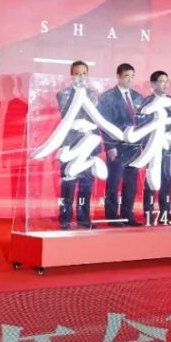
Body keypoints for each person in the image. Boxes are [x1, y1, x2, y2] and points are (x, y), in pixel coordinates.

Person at [97, 63, 143, 226]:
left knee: (131, 184)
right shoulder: (107, 97)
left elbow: (142, 122)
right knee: (114, 183)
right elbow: (104, 124)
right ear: (118, 76)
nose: (130, 80)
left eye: (132, 76)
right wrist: (110, 146)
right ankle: (112, 216)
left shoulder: (137, 97)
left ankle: (127, 214)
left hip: (134, 147)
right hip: (116, 146)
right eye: (126, 76)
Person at [56, 60, 95, 230]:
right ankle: (65, 218)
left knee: (86, 183)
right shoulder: (64, 94)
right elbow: (68, 115)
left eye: (84, 73)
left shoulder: (93, 94)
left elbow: (95, 118)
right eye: (77, 73)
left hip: (88, 142)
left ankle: (83, 217)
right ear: (71, 75)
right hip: (70, 143)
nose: (81, 76)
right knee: (68, 182)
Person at [141, 70, 171, 223]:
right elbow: (142, 125)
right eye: (161, 81)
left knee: (166, 180)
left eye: (167, 81)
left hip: (168, 147)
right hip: (152, 146)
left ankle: (165, 212)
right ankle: (148, 212)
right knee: (151, 180)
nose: (165, 84)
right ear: (153, 84)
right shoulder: (147, 102)